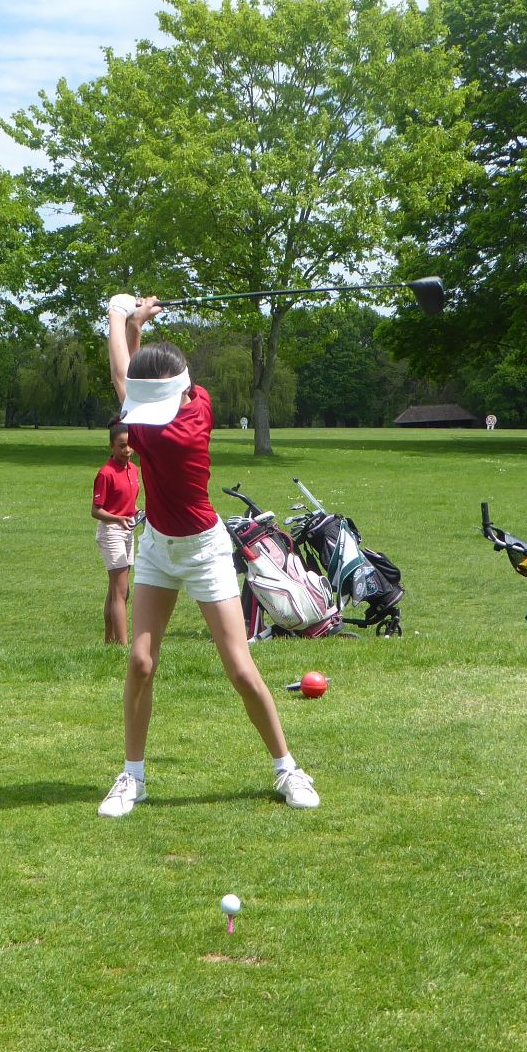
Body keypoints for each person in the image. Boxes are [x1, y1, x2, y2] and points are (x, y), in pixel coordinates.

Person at [96, 293, 319, 817]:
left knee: (240, 669)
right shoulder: (197, 400)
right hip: (158, 547)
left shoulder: (175, 430)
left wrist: (117, 315)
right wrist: (136, 326)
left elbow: (122, 377)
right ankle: (132, 778)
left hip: (204, 550)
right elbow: (135, 380)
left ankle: (288, 768)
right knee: (140, 662)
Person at [92, 421, 140, 645]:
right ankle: (123, 645)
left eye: (130, 445)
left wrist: (138, 512)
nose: (127, 450)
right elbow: (96, 510)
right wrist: (118, 518)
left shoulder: (134, 469)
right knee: (121, 591)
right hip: (111, 531)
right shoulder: (106, 473)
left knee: (116, 590)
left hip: (128, 529)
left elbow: (128, 503)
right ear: (111, 446)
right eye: (121, 446)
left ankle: (109, 640)